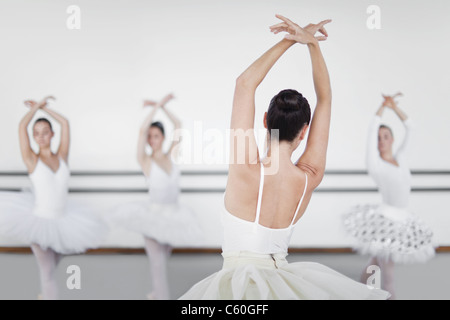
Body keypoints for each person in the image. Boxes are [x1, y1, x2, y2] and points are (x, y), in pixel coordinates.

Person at [179, 15, 390, 300]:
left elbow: (244, 84)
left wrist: (289, 40)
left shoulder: (246, 169)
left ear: (265, 120)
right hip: (285, 284)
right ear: (304, 132)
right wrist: (313, 45)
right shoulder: (309, 176)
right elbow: (325, 99)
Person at [0, 96, 108, 300]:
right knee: (47, 273)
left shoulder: (62, 155)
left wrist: (46, 109)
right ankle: (48, 296)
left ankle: (44, 294)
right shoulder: (31, 159)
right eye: (36, 134)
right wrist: (37, 107)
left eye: (44, 132)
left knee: (52, 266)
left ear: (52, 134)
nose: (40, 137)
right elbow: (22, 125)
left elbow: (65, 123)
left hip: (64, 220)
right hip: (39, 221)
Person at [110, 93, 203, 300]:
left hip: (173, 217)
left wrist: (162, 105)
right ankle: (161, 297)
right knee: (158, 266)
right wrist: (154, 107)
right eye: (149, 137)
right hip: (152, 217)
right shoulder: (145, 160)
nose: (152, 140)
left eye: (156, 136)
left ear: (163, 137)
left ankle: (154, 295)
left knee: (161, 261)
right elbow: (142, 130)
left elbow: (178, 124)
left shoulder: (172, 155)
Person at [344, 93, 435, 299]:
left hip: (403, 217)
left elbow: (411, 127)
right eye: (378, 138)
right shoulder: (375, 165)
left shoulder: (401, 157)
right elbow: (370, 131)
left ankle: (361, 283)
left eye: (385, 136)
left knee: (378, 259)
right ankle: (390, 295)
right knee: (389, 273)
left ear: (393, 139)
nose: (381, 141)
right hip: (387, 219)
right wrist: (381, 109)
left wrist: (394, 107)